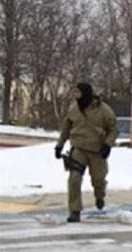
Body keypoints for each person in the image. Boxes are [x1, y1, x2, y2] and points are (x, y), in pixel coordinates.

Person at [54, 82, 118, 222]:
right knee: (74, 179)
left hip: (97, 151)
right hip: (79, 149)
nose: (75, 95)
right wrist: (59, 145)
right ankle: (75, 211)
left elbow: (113, 129)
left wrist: (108, 145)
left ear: (86, 93)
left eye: (78, 92)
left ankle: (99, 196)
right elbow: (66, 128)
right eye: (74, 92)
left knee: (98, 180)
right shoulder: (73, 108)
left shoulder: (104, 110)